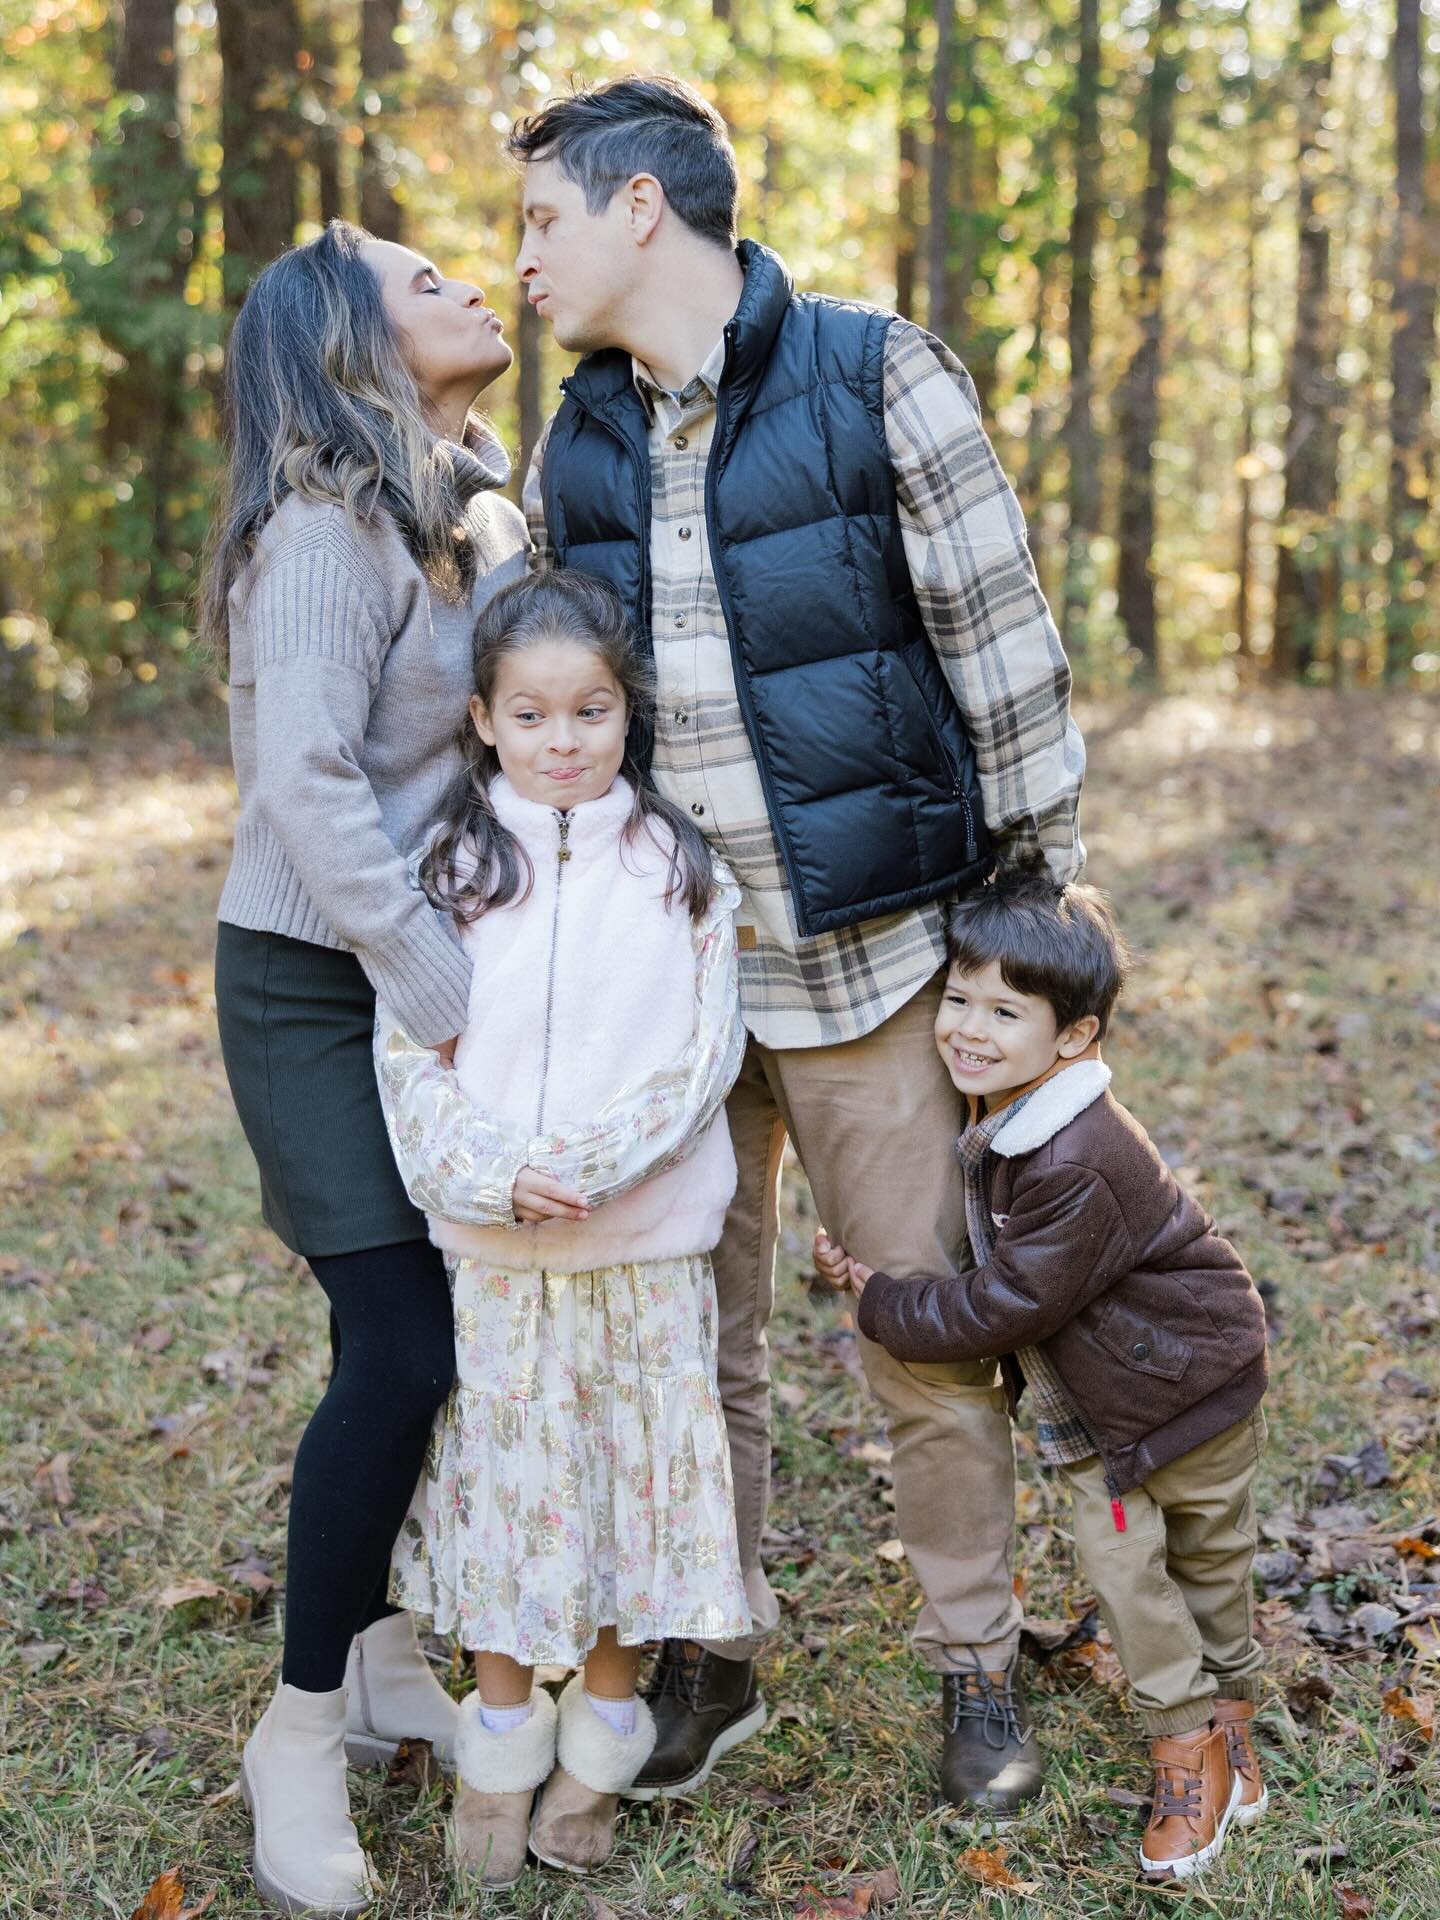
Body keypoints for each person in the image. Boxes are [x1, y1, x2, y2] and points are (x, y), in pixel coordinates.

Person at [512, 73, 1085, 1811]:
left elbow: (1003, 651)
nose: (523, 256)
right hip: (670, 983)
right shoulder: (578, 438)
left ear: (639, 209)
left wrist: (1037, 925)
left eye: (543, 217)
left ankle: (978, 1670)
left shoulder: (875, 371)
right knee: (694, 1349)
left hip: (870, 970)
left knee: (920, 1333)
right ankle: (716, 1649)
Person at [201, 220, 527, 1916]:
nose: (472, 283)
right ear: (351, 345)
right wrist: (441, 973)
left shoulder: (472, 511)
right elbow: (305, 792)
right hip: (318, 985)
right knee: (399, 1339)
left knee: (447, 1330)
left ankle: (390, 1650)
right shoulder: (322, 536)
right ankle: (300, 1724)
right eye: (424, 280)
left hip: (425, 970)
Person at [373, 570, 750, 1887]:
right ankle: (497, 1750)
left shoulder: (681, 869)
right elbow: (409, 1050)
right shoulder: (454, 866)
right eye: (532, 716)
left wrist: (580, 1166)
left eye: (590, 711)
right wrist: (492, 1174)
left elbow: (705, 1058)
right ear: (484, 718)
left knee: (622, 1507)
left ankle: (594, 1761)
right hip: (495, 1261)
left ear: (623, 712)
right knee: (505, 1506)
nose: (564, 740)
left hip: (636, 1254)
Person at [814, 864, 1270, 1880]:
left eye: (1002, 1011)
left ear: (1074, 1037)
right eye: (958, 999)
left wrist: (882, 1301)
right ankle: (1183, 1741)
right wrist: (876, 1273)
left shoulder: (1073, 1156)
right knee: (1124, 1567)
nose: (967, 1029)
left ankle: (1231, 1716)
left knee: (1210, 1561)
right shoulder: (1015, 1119)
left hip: (1194, 1400)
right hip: (1100, 1429)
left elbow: (1005, 1306)